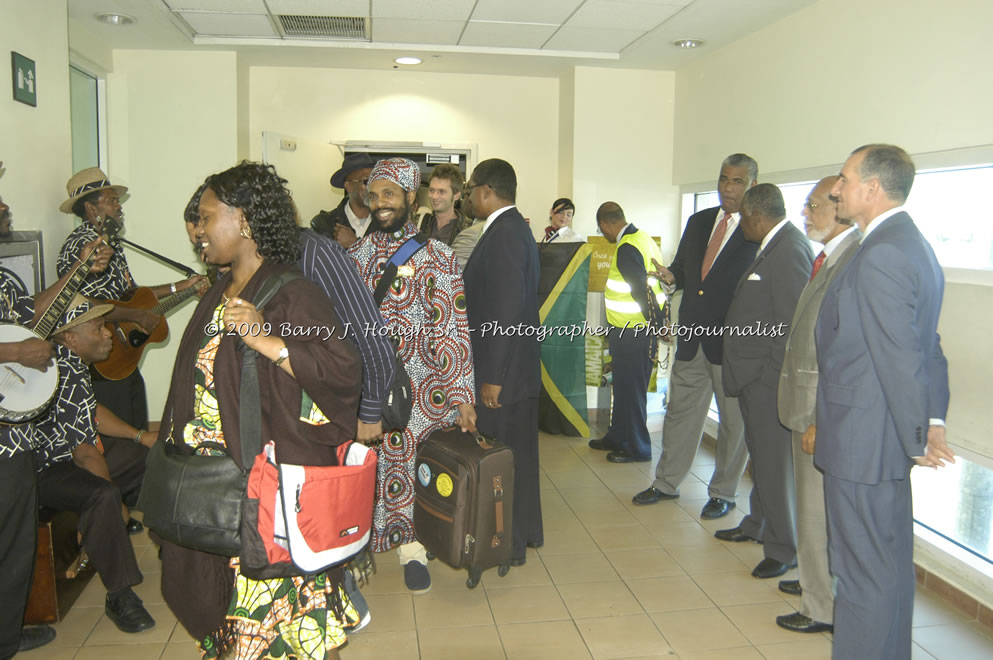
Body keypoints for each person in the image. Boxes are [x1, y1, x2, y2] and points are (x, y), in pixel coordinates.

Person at [159, 161, 363, 659]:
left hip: (263, 499)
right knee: (257, 629)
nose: (199, 232)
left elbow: (341, 372)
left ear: (245, 220)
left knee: (290, 629)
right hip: (214, 493)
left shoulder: (293, 294)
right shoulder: (218, 290)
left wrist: (269, 342)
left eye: (208, 218)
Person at [816, 144, 952, 659]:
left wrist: (918, 434)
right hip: (882, 434)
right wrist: (930, 420)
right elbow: (927, 346)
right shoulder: (910, 243)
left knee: (859, 576)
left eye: (846, 180)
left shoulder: (883, 252)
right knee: (887, 568)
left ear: (872, 188)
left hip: (863, 440)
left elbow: (900, 355)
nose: (836, 189)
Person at [348, 157, 477, 593]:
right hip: (365, 389)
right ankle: (355, 547)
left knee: (412, 468)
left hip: (420, 390)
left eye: (390, 194)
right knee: (364, 468)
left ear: (409, 197)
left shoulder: (437, 257)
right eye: (374, 194)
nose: (381, 203)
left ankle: (413, 549)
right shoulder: (353, 257)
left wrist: (461, 395)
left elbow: (452, 328)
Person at [0, 178, 110, 656]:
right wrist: (13, 350)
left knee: (15, 540)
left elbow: (28, 313)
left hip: (13, 437)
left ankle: (5, 632)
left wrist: (78, 273)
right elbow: (19, 341)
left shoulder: (4, 278)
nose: (6, 208)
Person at [631, 154, 759, 520]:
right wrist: (671, 276)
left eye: (736, 181)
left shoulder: (757, 229)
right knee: (680, 413)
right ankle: (667, 483)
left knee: (734, 423)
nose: (727, 188)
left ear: (751, 185)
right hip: (691, 337)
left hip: (730, 343)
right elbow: (686, 270)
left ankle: (723, 492)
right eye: (723, 179)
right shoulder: (700, 220)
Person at [34, 298, 156, 633]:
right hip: (43, 470)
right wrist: (117, 503)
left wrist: (139, 436)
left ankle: (169, 542)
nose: (108, 334)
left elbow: (90, 412)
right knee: (102, 496)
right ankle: (119, 595)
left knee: (149, 458)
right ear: (70, 338)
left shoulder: (71, 361)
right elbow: (85, 454)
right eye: (98, 328)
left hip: (69, 457)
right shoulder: (64, 366)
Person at [57, 167, 206, 431]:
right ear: (91, 209)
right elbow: (83, 305)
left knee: (137, 428)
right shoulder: (80, 246)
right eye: (111, 200)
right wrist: (136, 316)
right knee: (121, 440)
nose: (119, 206)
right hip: (102, 363)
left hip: (123, 358)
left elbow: (132, 297)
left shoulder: (110, 244)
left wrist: (181, 287)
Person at [715, 183, 812, 579]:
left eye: (743, 220)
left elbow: (792, 326)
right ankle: (757, 524)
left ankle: (783, 548)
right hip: (755, 378)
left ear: (756, 215)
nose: (741, 228)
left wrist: (766, 378)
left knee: (773, 467)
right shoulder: (773, 245)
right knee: (762, 460)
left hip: (767, 382)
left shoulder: (789, 250)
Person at [774, 176, 859, 633]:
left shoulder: (853, 262)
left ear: (839, 207)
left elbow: (842, 351)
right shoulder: (827, 257)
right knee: (813, 510)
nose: (804, 213)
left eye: (812, 205)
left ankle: (818, 607)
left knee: (813, 511)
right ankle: (814, 581)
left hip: (817, 409)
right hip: (806, 402)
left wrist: (820, 419)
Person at [461, 158, 544, 564]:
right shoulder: (510, 230)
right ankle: (523, 534)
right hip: (514, 369)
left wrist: (493, 376)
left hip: (505, 375)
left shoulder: (507, 233)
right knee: (518, 458)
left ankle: (508, 544)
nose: (470, 197)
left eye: (472, 189)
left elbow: (507, 311)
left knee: (504, 461)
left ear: (487, 192)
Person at [592, 202, 665, 462]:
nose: (604, 235)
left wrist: (658, 326)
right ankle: (617, 436)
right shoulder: (643, 238)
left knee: (632, 392)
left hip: (635, 333)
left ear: (605, 224)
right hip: (630, 332)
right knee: (622, 387)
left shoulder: (627, 246)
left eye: (602, 230)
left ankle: (638, 448)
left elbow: (640, 292)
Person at [311, 152, 375, 248]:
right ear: (349, 186)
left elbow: (391, 262)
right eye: (366, 181)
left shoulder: (387, 224)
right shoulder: (325, 225)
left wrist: (355, 245)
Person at [418, 163, 474, 246]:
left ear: (456, 196)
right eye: (432, 190)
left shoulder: (468, 228)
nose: (434, 196)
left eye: (441, 192)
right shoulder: (419, 223)